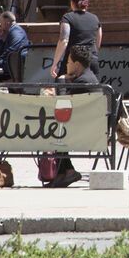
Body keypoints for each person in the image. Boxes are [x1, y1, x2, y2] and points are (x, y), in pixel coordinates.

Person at [48, 44, 97, 188]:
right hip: (93, 128)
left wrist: (62, 81)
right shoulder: (90, 77)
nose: (67, 65)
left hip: (84, 132)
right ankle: (65, 171)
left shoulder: (82, 82)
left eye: (68, 62)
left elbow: (63, 106)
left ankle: (66, 171)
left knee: (54, 130)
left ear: (76, 65)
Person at [50, 0, 102, 79]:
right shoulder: (95, 18)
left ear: (72, 3)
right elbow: (98, 43)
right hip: (91, 60)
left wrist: (55, 63)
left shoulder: (67, 17)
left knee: (62, 87)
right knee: (92, 90)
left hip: (72, 61)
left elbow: (64, 40)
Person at [0, 10, 31, 78]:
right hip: (11, 61)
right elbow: (1, 49)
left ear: (6, 22)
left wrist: (0, 60)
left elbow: (12, 49)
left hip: (15, 63)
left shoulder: (16, 32)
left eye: (0, 22)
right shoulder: (12, 31)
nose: (0, 25)